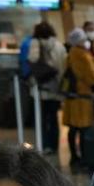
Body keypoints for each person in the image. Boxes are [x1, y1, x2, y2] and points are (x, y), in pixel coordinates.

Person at [63, 28, 94, 173]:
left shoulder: (70, 53)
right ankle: (86, 158)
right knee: (84, 128)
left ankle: (74, 156)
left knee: (73, 128)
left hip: (72, 95)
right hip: (83, 95)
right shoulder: (82, 55)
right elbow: (92, 76)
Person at [28, 22, 67, 156]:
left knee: (41, 118)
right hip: (55, 88)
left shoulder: (35, 43)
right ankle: (54, 146)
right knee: (54, 118)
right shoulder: (59, 46)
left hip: (41, 89)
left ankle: (43, 145)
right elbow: (63, 67)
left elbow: (32, 61)